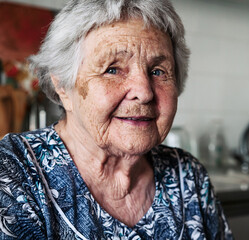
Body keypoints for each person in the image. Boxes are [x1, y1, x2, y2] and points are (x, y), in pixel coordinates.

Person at [0, 0, 233, 239]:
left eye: (158, 71)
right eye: (113, 69)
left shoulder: (189, 176)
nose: (144, 92)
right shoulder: (12, 175)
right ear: (62, 86)